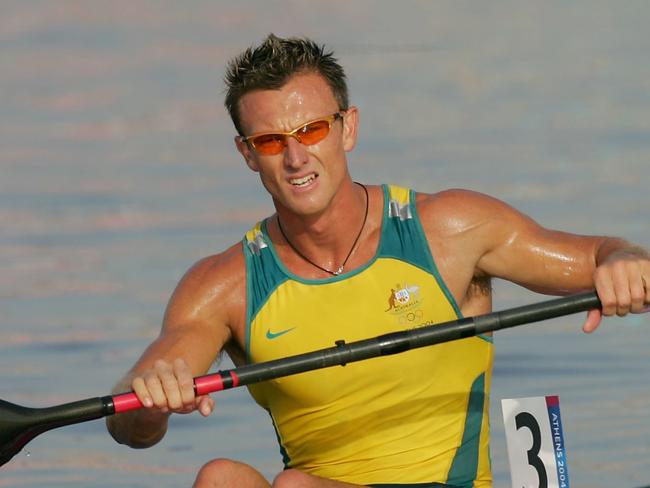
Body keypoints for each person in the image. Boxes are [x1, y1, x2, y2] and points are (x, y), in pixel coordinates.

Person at [106, 34, 650, 488]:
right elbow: (132, 421)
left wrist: (625, 262)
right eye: (271, 141)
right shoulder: (224, 285)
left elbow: (603, 255)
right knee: (221, 478)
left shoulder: (449, 230)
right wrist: (151, 398)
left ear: (349, 128)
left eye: (313, 130)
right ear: (247, 153)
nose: (296, 157)